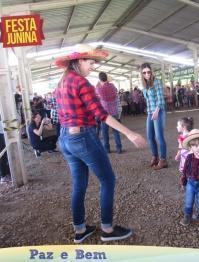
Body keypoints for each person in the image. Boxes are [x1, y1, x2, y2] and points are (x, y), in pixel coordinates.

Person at [54, 44, 146, 243]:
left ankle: (80, 230)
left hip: (65, 138)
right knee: (108, 180)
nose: (93, 65)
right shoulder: (82, 83)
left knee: (79, 184)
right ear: (79, 61)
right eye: (90, 61)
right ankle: (107, 229)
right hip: (82, 137)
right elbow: (101, 114)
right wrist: (129, 133)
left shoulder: (61, 82)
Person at [140, 63, 168, 170]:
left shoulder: (156, 82)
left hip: (158, 112)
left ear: (152, 72)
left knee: (159, 137)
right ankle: (155, 156)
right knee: (150, 137)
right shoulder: (144, 85)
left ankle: (163, 160)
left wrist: (156, 111)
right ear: (141, 74)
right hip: (150, 112)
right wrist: (151, 112)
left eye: (148, 72)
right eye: (144, 72)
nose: (147, 74)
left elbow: (161, 100)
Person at [96, 72, 122, 154]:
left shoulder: (99, 89)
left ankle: (107, 149)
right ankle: (119, 148)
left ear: (100, 79)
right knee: (116, 131)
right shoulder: (113, 86)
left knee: (104, 132)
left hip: (105, 114)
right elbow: (116, 95)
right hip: (114, 112)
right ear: (106, 78)